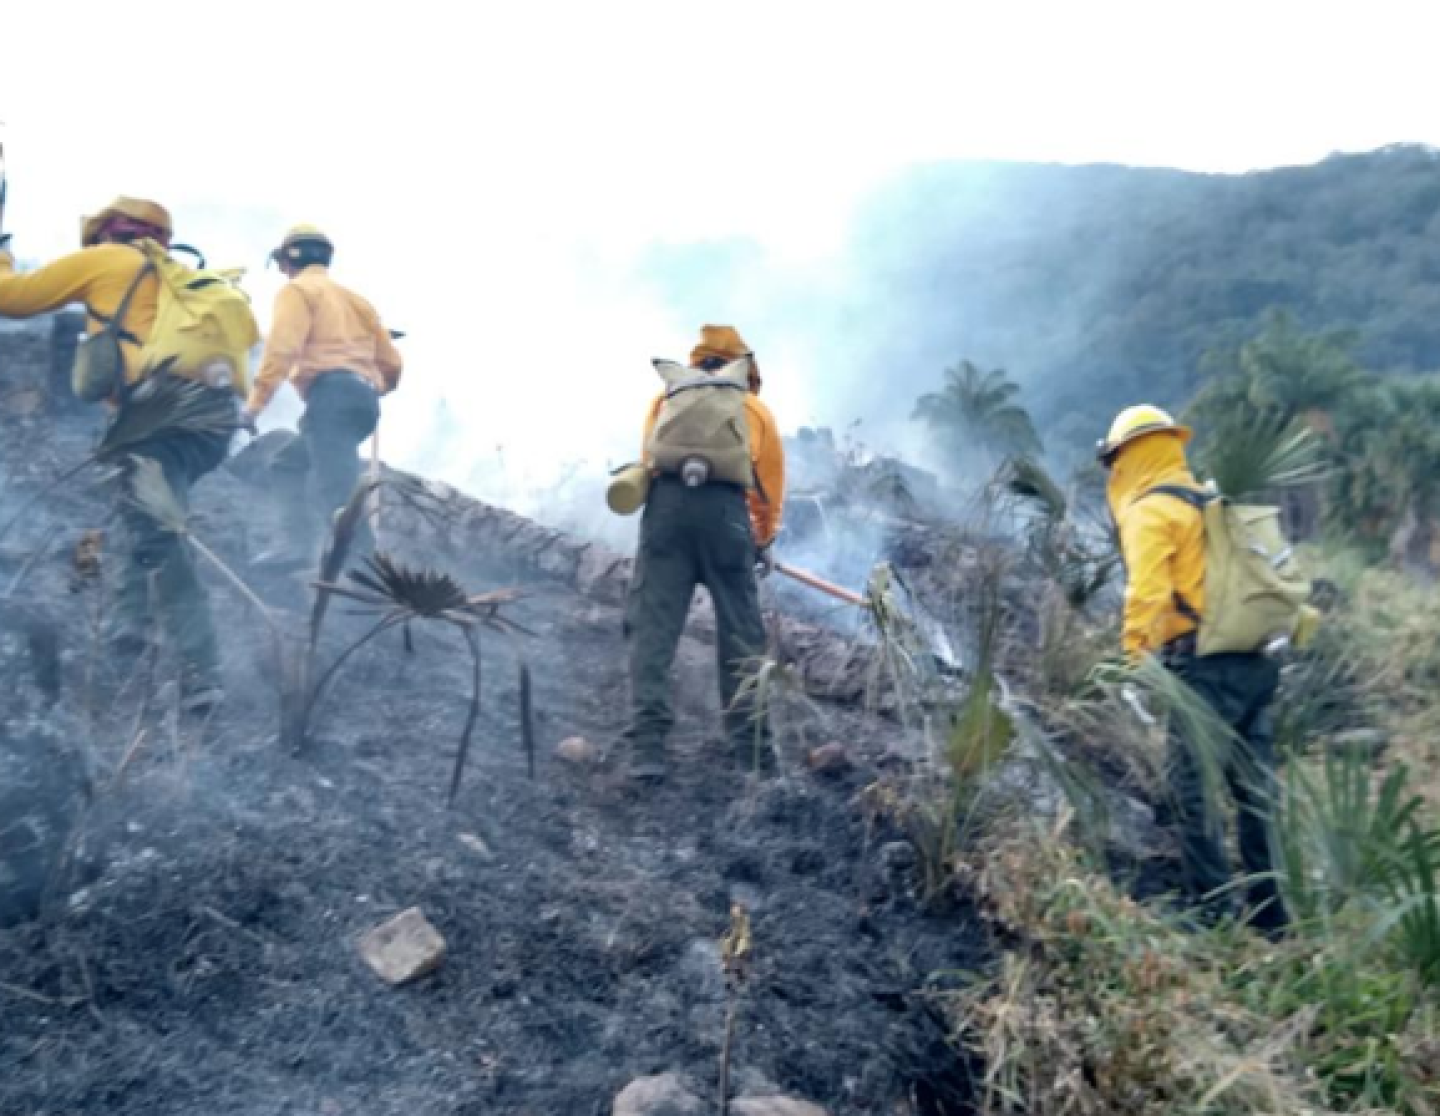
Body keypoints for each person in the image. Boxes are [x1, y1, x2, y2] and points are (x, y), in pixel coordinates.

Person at [0, 197, 237, 714]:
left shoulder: (109, 259)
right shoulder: (175, 275)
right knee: (140, 510)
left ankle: (202, 670)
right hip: (213, 421)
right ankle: (130, 628)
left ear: (105, 233)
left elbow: (10, 297)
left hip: (156, 412)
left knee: (161, 531)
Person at [1098, 404, 1288, 934]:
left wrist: (1131, 656)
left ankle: (1213, 913)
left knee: (1193, 789)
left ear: (1128, 456)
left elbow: (1148, 592)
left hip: (1204, 666)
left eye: (1114, 460)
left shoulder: (1151, 511)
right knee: (1255, 792)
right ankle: (1272, 916)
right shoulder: (1212, 502)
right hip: (1255, 656)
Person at [621, 325, 786, 783]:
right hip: (726, 517)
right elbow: (768, 486)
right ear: (743, 368)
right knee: (740, 633)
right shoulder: (753, 408)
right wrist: (762, 538)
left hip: (666, 513)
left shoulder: (666, 399)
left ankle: (647, 748)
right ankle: (752, 752)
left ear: (698, 362)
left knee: (652, 628)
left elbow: (648, 461)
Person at [243, 225, 402, 569]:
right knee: (288, 463)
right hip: (362, 401)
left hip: (331, 397)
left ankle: (366, 570)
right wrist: (370, 386)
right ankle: (295, 544)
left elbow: (281, 350)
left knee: (337, 489)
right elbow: (392, 364)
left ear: (288, 260)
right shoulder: (357, 302)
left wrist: (254, 407)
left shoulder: (297, 291)